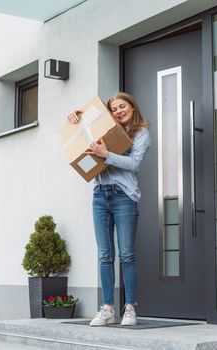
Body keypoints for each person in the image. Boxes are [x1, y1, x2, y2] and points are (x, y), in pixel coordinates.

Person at [68, 92, 150, 326]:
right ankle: (107, 309)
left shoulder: (141, 133)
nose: (118, 111)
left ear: (132, 108)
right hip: (99, 196)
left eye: (122, 106)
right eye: (113, 109)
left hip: (124, 197)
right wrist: (76, 116)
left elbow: (134, 164)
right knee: (105, 255)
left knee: (126, 255)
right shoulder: (101, 131)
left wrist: (107, 155)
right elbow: (82, 130)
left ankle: (130, 308)